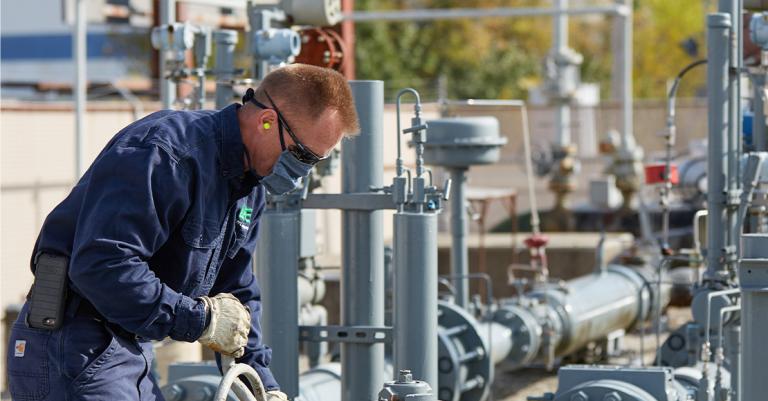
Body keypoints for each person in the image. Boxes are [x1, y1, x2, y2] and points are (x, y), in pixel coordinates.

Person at [5, 64, 359, 401]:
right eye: (304, 156)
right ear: (267, 122)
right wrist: (199, 320)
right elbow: (103, 265)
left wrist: (260, 381)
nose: (302, 173)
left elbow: (235, 292)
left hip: (128, 348)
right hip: (73, 344)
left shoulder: (249, 187)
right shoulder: (167, 152)